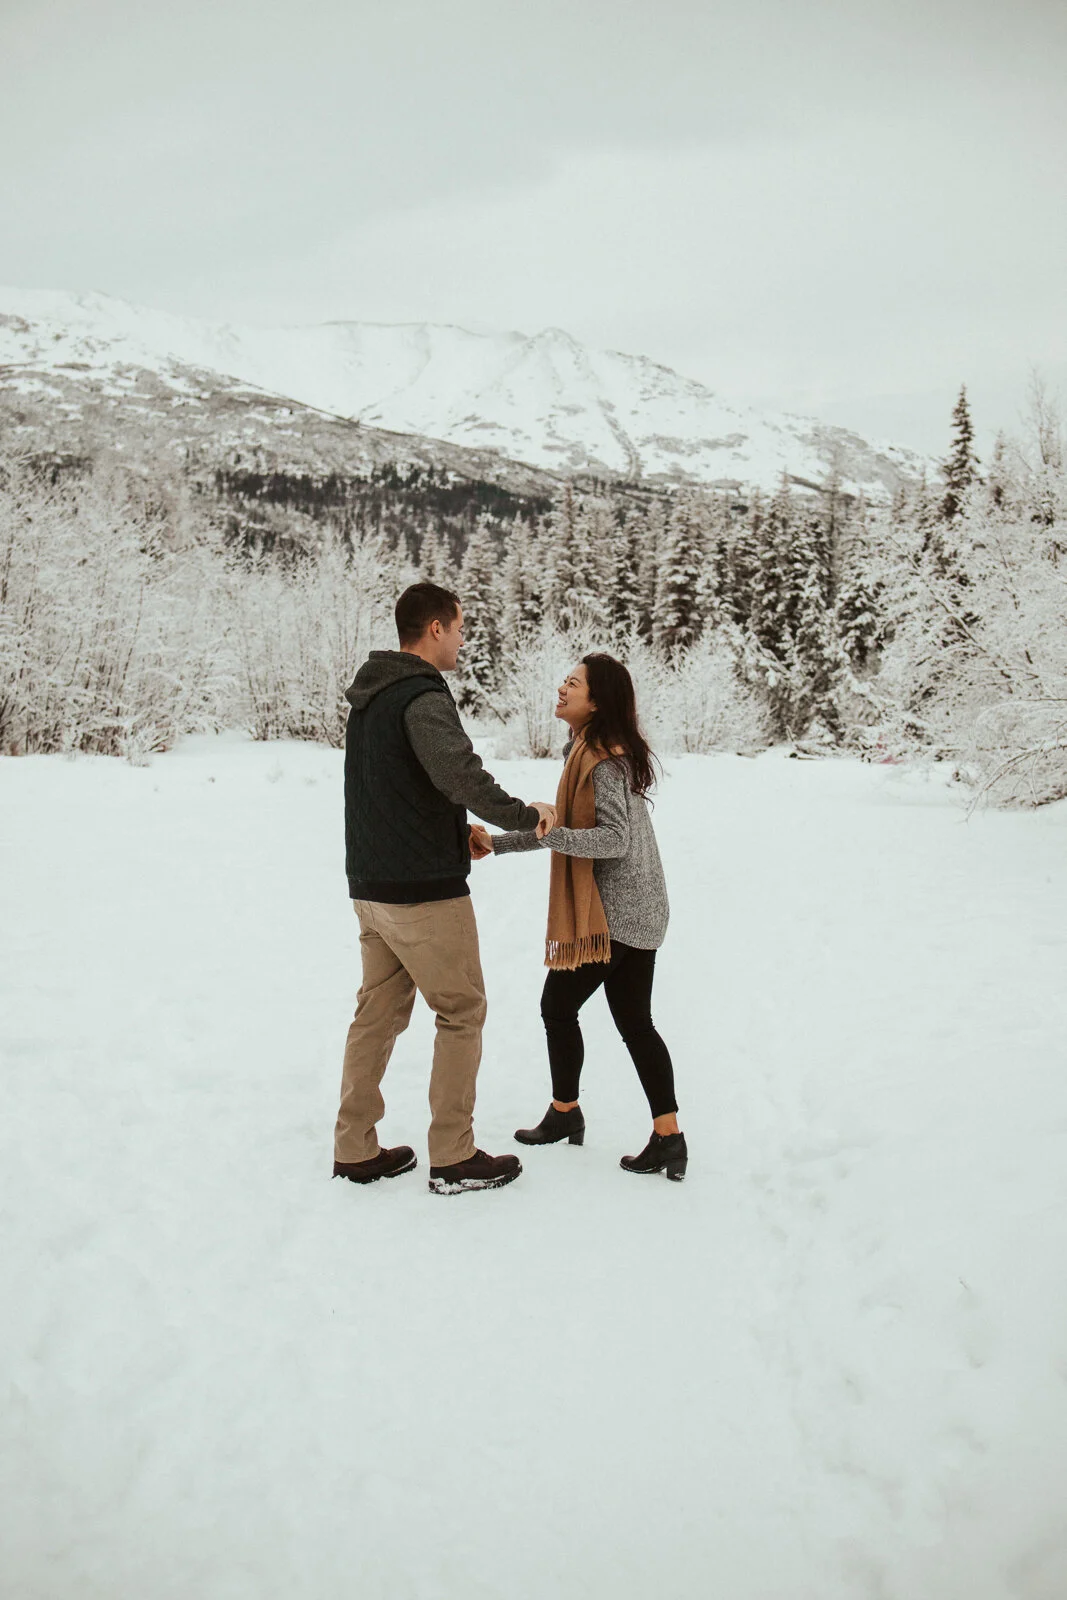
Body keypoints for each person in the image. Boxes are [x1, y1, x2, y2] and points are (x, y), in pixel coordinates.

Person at [333, 581, 557, 1196]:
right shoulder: (421, 694)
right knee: (461, 1011)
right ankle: (454, 1156)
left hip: (372, 886)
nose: (462, 640)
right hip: (423, 894)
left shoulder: (371, 695)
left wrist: (457, 834)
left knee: (376, 1015)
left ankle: (354, 1148)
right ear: (435, 628)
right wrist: (525, 815)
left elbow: (398, 789)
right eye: (458, 628)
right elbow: (459, 774)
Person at [471, 653, 686, 1180]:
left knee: (558, 1005)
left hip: (617, 916)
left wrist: (545, 835)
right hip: (639, 908)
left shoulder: (602, 762)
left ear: (597, 701)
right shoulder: (590, 754)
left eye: (573, 683)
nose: (562, 689)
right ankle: (668, 1137)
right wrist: (498, 843)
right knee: (635, 1022)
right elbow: (562, 828)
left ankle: (566, 1112)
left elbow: (612, 840)